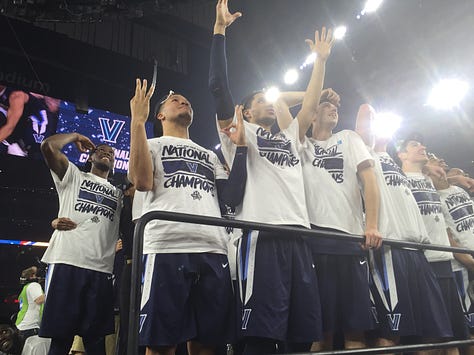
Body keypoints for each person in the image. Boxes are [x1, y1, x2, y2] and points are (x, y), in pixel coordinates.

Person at [209, 1, 334, 352]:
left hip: (299, 237)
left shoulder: (290, 135)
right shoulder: (239, 133)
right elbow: (218, 86)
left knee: (301, 338)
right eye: (260, 100)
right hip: (261, 238)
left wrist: (320, 62)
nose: (268, 103)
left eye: (270, 99)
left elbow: (308, 106)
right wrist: (220, 31)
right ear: (246, 111)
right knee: (261, 339)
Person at [129, 78, 248, 355]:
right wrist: (137, 122)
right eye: (175, 100)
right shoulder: (153, 144)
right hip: (168, 246)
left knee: (210, 343)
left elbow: (230, 197)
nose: (184, 102)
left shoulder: (210, 155)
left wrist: (240, 149)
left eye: (187, 101)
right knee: (161, 344)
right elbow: (143, 182)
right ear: (159, 115)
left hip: (212, 248)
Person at [355, 104, 454, 348]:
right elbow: (364, 114)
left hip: (417, 252)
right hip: (391, 248)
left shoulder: (394, 163)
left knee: (431, 332)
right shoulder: (367, 155)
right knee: (392, 332)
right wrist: (374, 113)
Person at [38, 134, 122, 355]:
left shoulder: (119, 194)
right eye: (101, 150)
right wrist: (74, 136)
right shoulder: (74, 175)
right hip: (67, 262)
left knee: (96, 342)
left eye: (112, 153)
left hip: (101, 270)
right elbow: (48, 146)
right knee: (61, 340)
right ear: (90, 156)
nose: (107, 153)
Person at [397, 134, 470, 345]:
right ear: (401, 154)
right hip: (423, 262)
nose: (422, 147)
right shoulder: (399, 178)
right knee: (431, 338)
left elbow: (445, 180)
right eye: (414, 145)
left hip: (446, 261)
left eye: (422, 144)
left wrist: (455, 178)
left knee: (454, 337)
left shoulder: (429, 178)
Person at [15, 266, 45, 341]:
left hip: (23, 326)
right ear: (32, 276)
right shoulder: (33, 285)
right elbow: (39, 300)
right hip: (30, 327)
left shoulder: (25, 288)